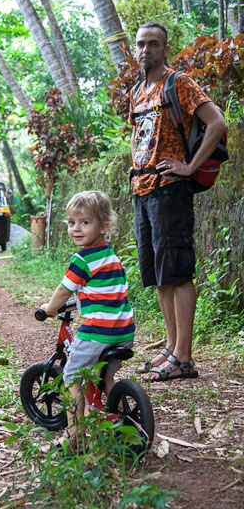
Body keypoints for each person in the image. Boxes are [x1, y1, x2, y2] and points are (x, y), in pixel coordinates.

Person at [129, 22, 228, 382]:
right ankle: (171, 349)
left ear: (165, 49)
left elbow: (217, 122)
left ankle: (184, 357)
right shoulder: (138, 90)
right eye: (141, 44)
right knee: (160, 274)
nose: (146, 50)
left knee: (179, 270)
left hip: (170, 188)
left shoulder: (179, 82)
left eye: (153, 44)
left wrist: (189, 167)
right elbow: (139, 136)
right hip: (143, 189)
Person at [40, 190, 135, 450]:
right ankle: (115, 411)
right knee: (103, 375)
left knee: (71, 377)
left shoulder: (82, 259)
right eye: (72, 223)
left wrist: (50, 308)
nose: (76, 229)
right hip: (124, 332)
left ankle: (74, 437)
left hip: (98, 333)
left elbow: (64, 290)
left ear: (103, 227)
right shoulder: (111, 256)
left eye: (85, 222)